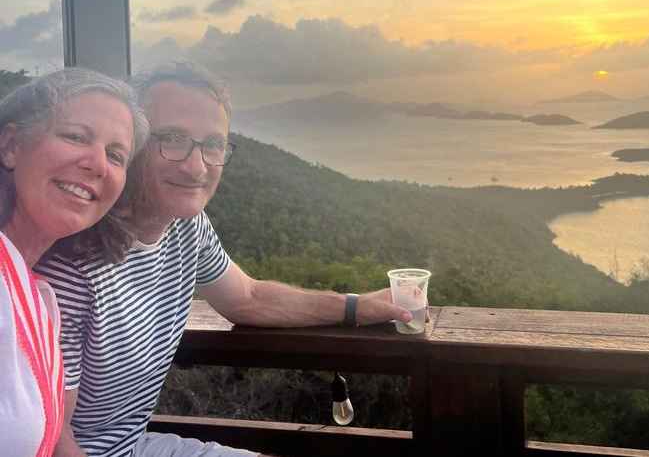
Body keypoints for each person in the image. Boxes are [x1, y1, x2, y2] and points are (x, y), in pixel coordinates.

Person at [39, 62, 412, 457]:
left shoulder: (187, 226)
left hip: (135, 447)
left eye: (213, 145)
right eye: (172, 139)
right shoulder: (71, 264)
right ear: (131, 142)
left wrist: (356, 306)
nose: (196, 166)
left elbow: (247, 297)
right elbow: (54, 441)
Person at [0, 68, 148, 457]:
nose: (98, 164)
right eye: (76, 136)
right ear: (11, 145)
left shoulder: (38, 298)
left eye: (116, 156)